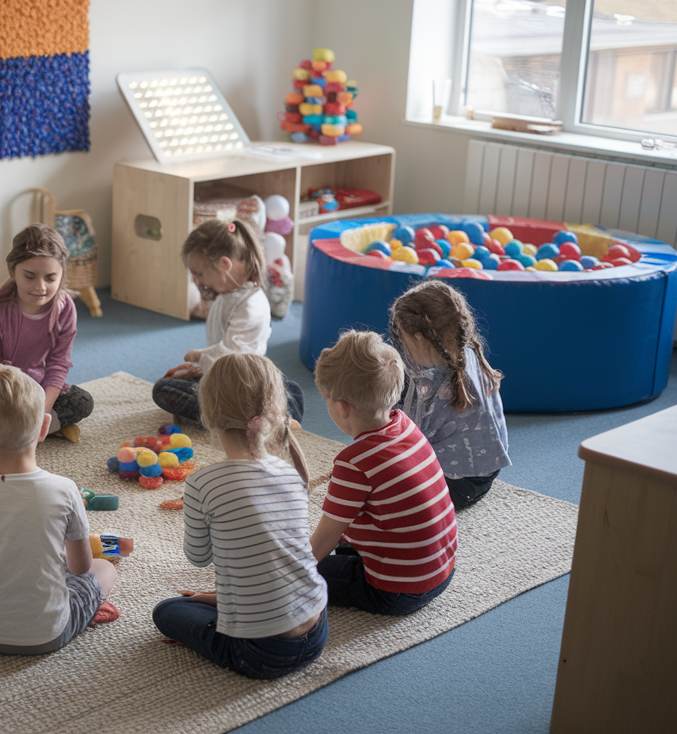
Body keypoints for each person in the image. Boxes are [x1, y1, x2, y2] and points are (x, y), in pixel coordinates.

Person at [152, 353, 327, 679]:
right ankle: (229, 603)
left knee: (166, 611)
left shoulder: (201, 483)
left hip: (262, 654)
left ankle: (226, 623)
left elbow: (198, 557)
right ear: (276, 410)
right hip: (317, 631)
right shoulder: (290, 473)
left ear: (207, 415)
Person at [0, 365, 116, 654]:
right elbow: (80, 567)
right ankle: (85, 612)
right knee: (104, 568)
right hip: (47, 633)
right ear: (45, 428)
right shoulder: (64, 488)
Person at [310, 330, 457, 615]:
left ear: (341, 407)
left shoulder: (354, 463)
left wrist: (289, 573)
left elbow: (325, 538)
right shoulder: (405, 425)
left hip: (397, 590)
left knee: (300, 572)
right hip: (442, 571)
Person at [153, 219, 304, 426]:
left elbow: (233, 358)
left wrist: (200, 356)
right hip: (224, 377)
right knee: (167, 385)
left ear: (224, 265)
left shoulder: (251, 306)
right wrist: (198, 369)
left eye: (199, 274)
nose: (198, 281)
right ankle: (246, 417)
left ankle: (247, 422)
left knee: (164, 391)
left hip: (241, 382)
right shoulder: (229, 292)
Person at [0, 223, 92, 442]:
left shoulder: (65, 308)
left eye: (50, 278)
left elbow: (59, 363)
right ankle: (40, 429)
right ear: (12, 272)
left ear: (62, 274)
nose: (40, 287)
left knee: (82, 402)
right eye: (29, 276)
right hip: (4, 390)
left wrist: (42, 410)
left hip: (41, 390)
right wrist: (9, 403)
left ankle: (6, 433)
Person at [390, 279, 510, 510]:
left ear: (419, 340)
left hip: (455, 485)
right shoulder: (469, 352)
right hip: (485, 473)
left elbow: (408, 443)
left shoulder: (439, 387)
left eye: (405, 340)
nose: (403, 347)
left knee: (383, 491)